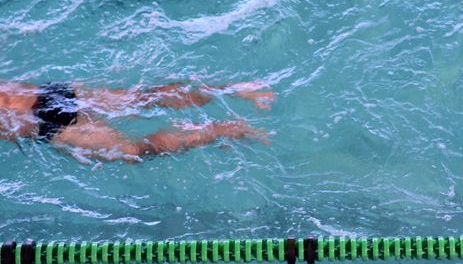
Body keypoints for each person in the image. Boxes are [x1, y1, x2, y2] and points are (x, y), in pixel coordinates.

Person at [0, 80, 274, 163]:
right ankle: (234, 89)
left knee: (134, 152)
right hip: (50, 95)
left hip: (46, 124)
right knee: (144, 98)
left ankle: (223, 130)